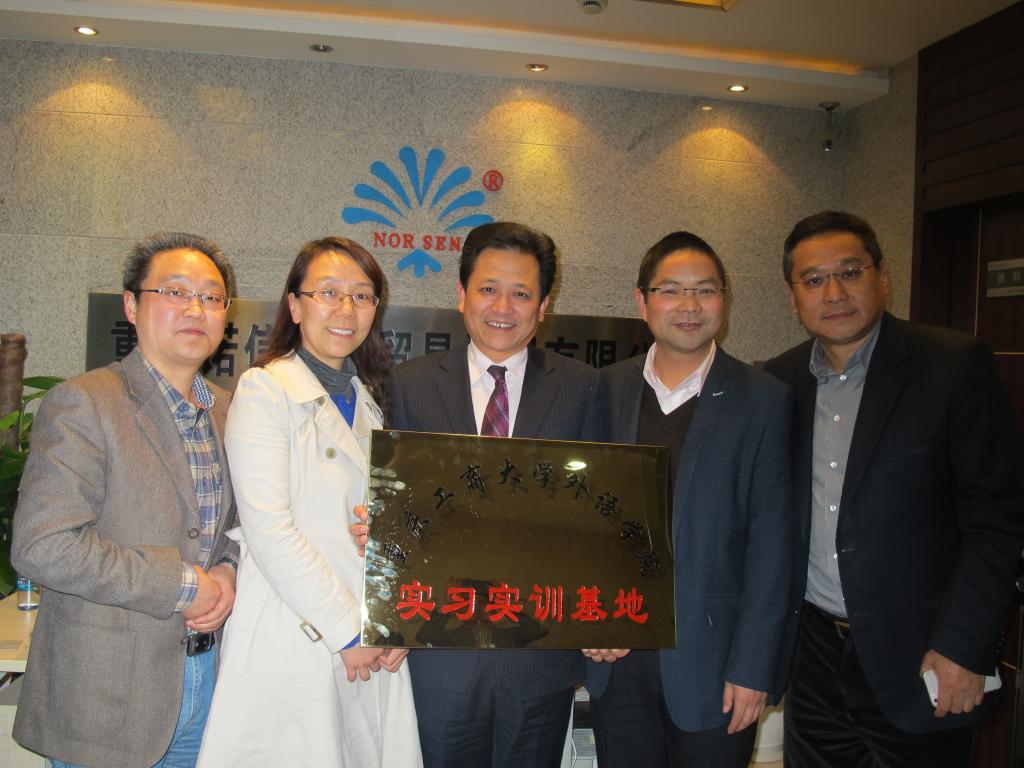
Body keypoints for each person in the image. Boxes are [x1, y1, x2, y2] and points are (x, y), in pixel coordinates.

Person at [764, 210, 1024, 767]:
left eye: (850, 272)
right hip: (813, 658)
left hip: (924, 659)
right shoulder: (779, 381)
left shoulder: (952, 365)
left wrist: (966, 648)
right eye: (814, 280)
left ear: (882, 275)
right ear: (792, 296)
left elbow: (997, 523)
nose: (834, 293)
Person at [354, 221, 606, 768]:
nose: (503, 307)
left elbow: (596, 515)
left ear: (544, 306)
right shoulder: (410, 383)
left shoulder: (583, 387)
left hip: (539, 654)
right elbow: (398, 502)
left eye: (522, 294)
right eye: (488, 288)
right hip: (438, 651)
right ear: (462, 294)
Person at [11, 232, 239, 768]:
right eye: (175, 292)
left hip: (209, 686)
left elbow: (236, 524)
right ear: (132, 306)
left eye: (211, 297)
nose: (196, 309)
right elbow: (43, 546)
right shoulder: (85, 403)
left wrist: (228, 570)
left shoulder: (231, 410)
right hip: (108, 698)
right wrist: (184, 586)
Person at [197, 237, 421, 766]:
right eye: (328, 292)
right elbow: (269, 530)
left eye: (362, 296)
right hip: (299, 631)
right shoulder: (264, 390)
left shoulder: (368, 401)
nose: (346, 309)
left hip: (369, 635)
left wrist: (398, 621)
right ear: (295, 306)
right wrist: (347, 631)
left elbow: (385, 528)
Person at [584, 231, 794, 767]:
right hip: (618, 658)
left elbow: (773, 546)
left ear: (724, 299)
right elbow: (580, 522)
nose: (689, 305)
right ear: (642, 301)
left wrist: (754, 666)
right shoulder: (604, 389)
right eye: (671, 290)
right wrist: (589, 619)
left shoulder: (764, 400)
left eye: (705, 290)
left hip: (715, 666)